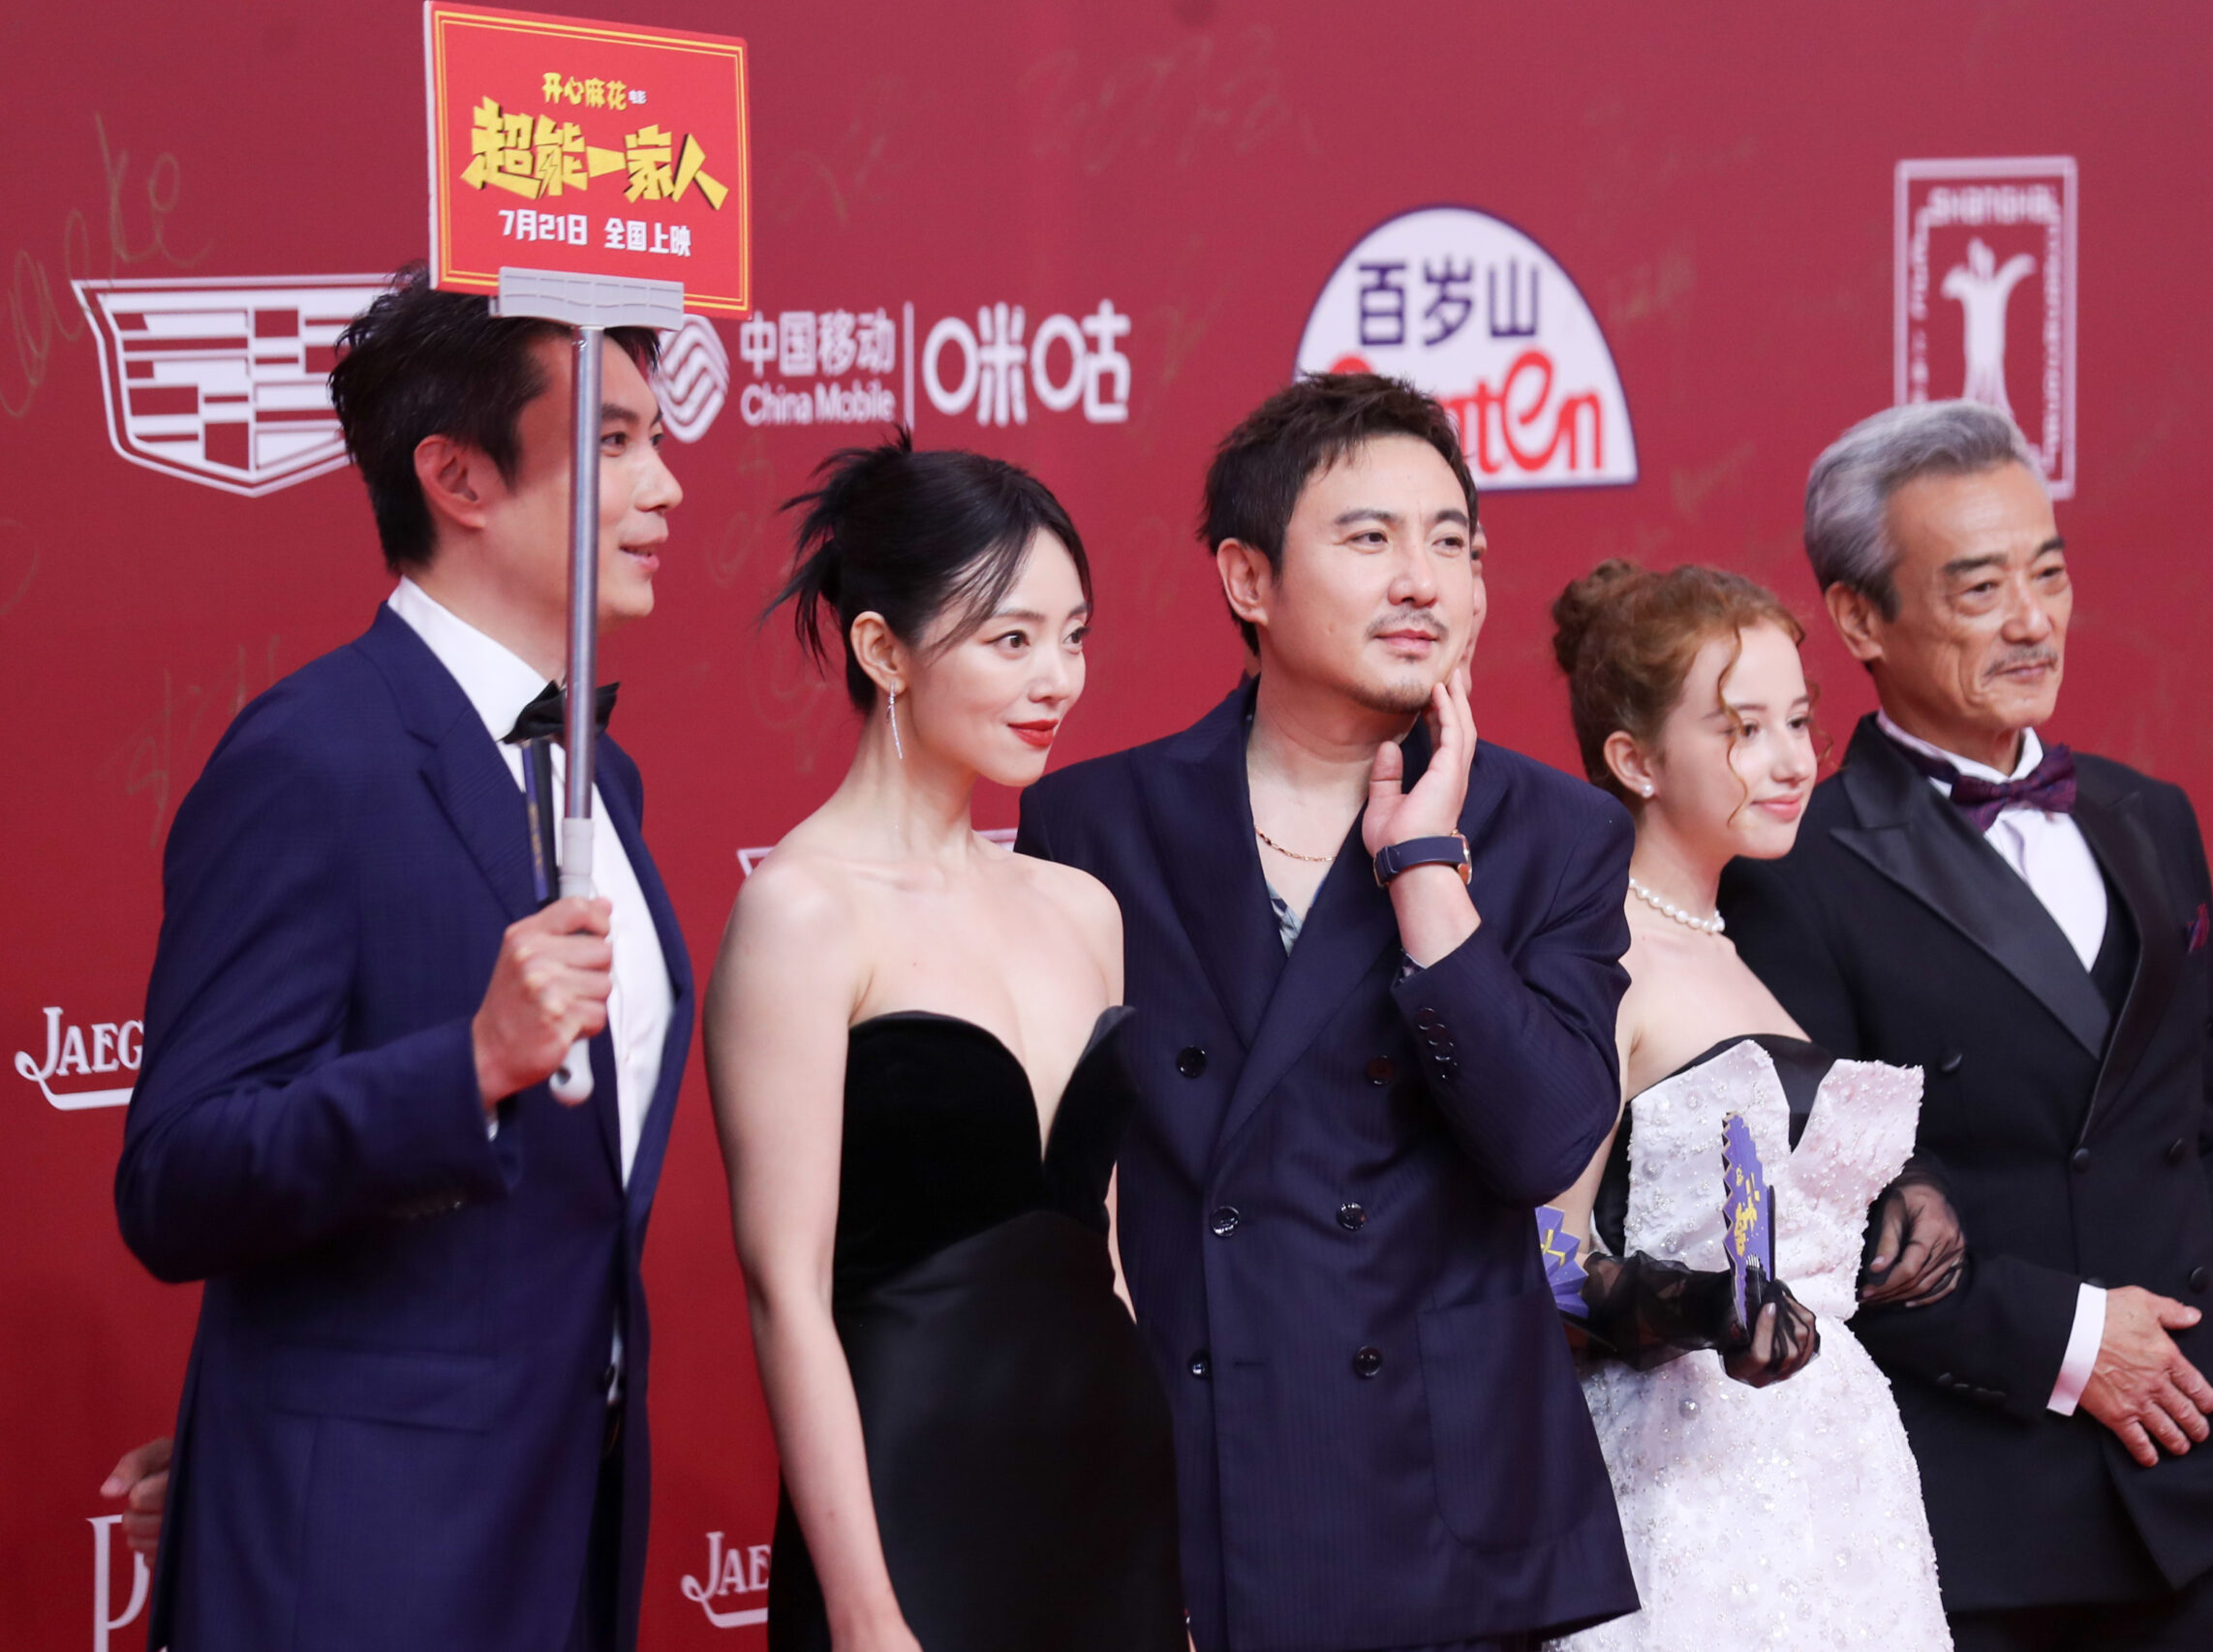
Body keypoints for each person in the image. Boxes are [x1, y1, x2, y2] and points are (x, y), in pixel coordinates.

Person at [113, 267, 693, 1652]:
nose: (666, 487)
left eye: (655, 438)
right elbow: (175, 1175)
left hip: (559, 1532)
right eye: (614, 442)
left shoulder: (599, 776)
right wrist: (469, 1064)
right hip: (371, 1563)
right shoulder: (313, 755)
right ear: (458, 477)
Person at [1015, 372, 1640, 1652]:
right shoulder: (1094, 822)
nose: (1421, 581)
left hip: (1439, 1505)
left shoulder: (1555, 829)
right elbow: (1062, 1195)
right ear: (1248, 578)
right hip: (1196, 1474)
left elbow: (1541, 1143)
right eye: (1369, 538)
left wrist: (1426, 873)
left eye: (1451, 543)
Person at [1720, 401, 2213, 1651]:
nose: (2032, 620)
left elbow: (2210, 1125)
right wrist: (2076, 1340)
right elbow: (1815, 1220)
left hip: (2193, 1476)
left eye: (2049, 572)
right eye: (1980, 587)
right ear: (1858, 619)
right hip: (1974, 1510)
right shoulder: (1796, 867)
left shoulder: (2151, 816)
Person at [705, 436, 1183, 1652]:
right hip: (909, 1508)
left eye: (1073, 635)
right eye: (1010, 639)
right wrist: (863, 1607)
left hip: (1105, 1506)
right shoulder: (802, 911)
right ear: (884, 650)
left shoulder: (1081, 908)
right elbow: (786, 1291)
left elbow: (1103, 1261)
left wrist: (1161, 1576)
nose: (1056, 678)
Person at [1537, 561, 1956, 1652]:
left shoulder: (1743, 943)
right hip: (1685, 1496)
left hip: (1840, 1483)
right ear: (1633, 759)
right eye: (1741, 730)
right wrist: (1700, 1307)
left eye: (1799, 722)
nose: (1790, 761)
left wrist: (1905, 1192)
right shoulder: (1598, 961)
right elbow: (1545, 1260)